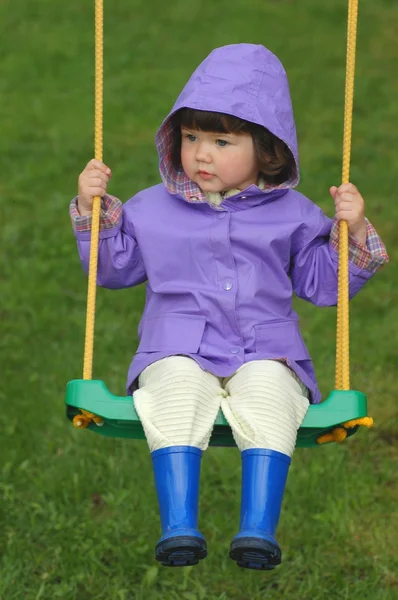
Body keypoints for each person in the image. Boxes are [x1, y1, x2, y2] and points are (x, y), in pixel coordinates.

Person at [70, 44, 388, 570]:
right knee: (173, 392)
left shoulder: (294, 215)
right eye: (191, 137)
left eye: (222, 140)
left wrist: (347, 232)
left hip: (266, 347)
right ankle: (179, 529)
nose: (201, 154)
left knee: (269, 398)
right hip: (177, 345)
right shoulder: (151, 207)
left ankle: (257, 533)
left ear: (268, 150)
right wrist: (90, 208)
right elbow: (112, 268)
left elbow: (320, 284)